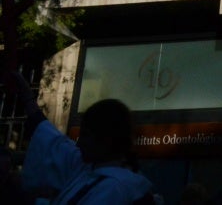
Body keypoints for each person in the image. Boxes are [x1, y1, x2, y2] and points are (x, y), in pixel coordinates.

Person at [5, 71, 155, 205]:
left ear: (105, 140)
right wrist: (27, 98)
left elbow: (55, 143)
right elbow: (53, 141)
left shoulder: (115, 188)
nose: (79, 144)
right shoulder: (88, 168)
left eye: (85, 136)